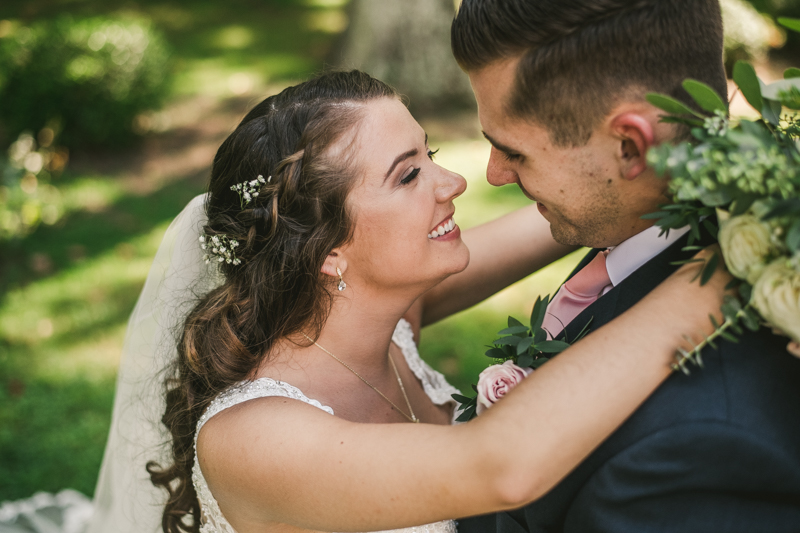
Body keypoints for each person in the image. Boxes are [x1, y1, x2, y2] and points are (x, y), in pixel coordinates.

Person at [82, 69, 731, 533]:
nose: (452, 183)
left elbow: (578, 210)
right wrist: (733, 269)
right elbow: (500, 466)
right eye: (409, 173)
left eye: (433, 153)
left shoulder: (386, 320)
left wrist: (691, 148)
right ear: (329, 249)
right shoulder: (251, 440)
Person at [450, 1, 800, 532]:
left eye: (515, 152)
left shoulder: (700, 446)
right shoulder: (634, 227)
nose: (494, 175)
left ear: (630, 146)